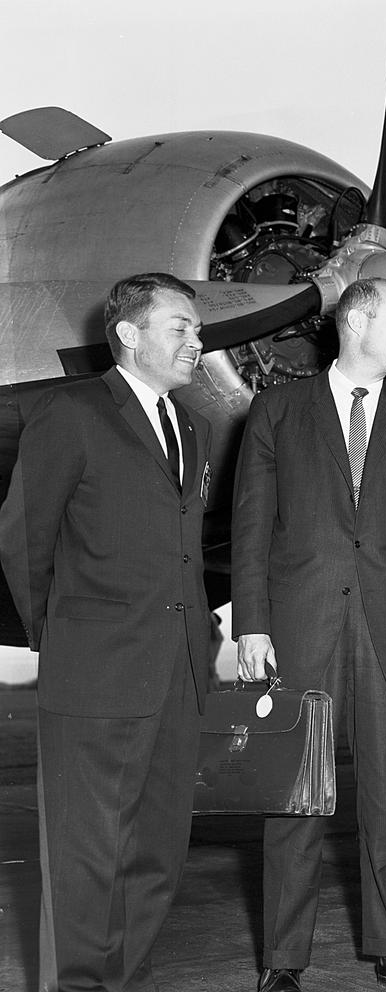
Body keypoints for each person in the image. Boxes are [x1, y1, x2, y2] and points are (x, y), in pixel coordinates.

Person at [232, 277, 386, 992]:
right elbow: (249, 530)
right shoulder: (275, 412)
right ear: (356, 321)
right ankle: (283, 960)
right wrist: (252, 625)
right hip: (301, 630)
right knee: (293, 797)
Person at [0, 272, 210, 992]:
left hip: (178, 675)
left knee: (156, 854)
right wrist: (57, 634)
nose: (197, 340)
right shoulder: (72, 411)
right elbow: (22, 535)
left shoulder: (193, 428)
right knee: (86, 857)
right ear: (129, 333)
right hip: (94, 670)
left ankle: (125, 981)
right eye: (180, 327)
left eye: (198, 328)